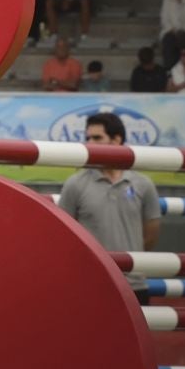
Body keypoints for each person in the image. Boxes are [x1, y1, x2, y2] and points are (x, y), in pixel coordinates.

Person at [59, 112, 159, 284]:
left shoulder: (143, 183)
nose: (89, 144)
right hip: (91, 281)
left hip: (134, 283)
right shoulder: (75, 184)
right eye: (88, 138)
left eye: (97, 138)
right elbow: (63, 235)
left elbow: (151, 234)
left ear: (116, 140)